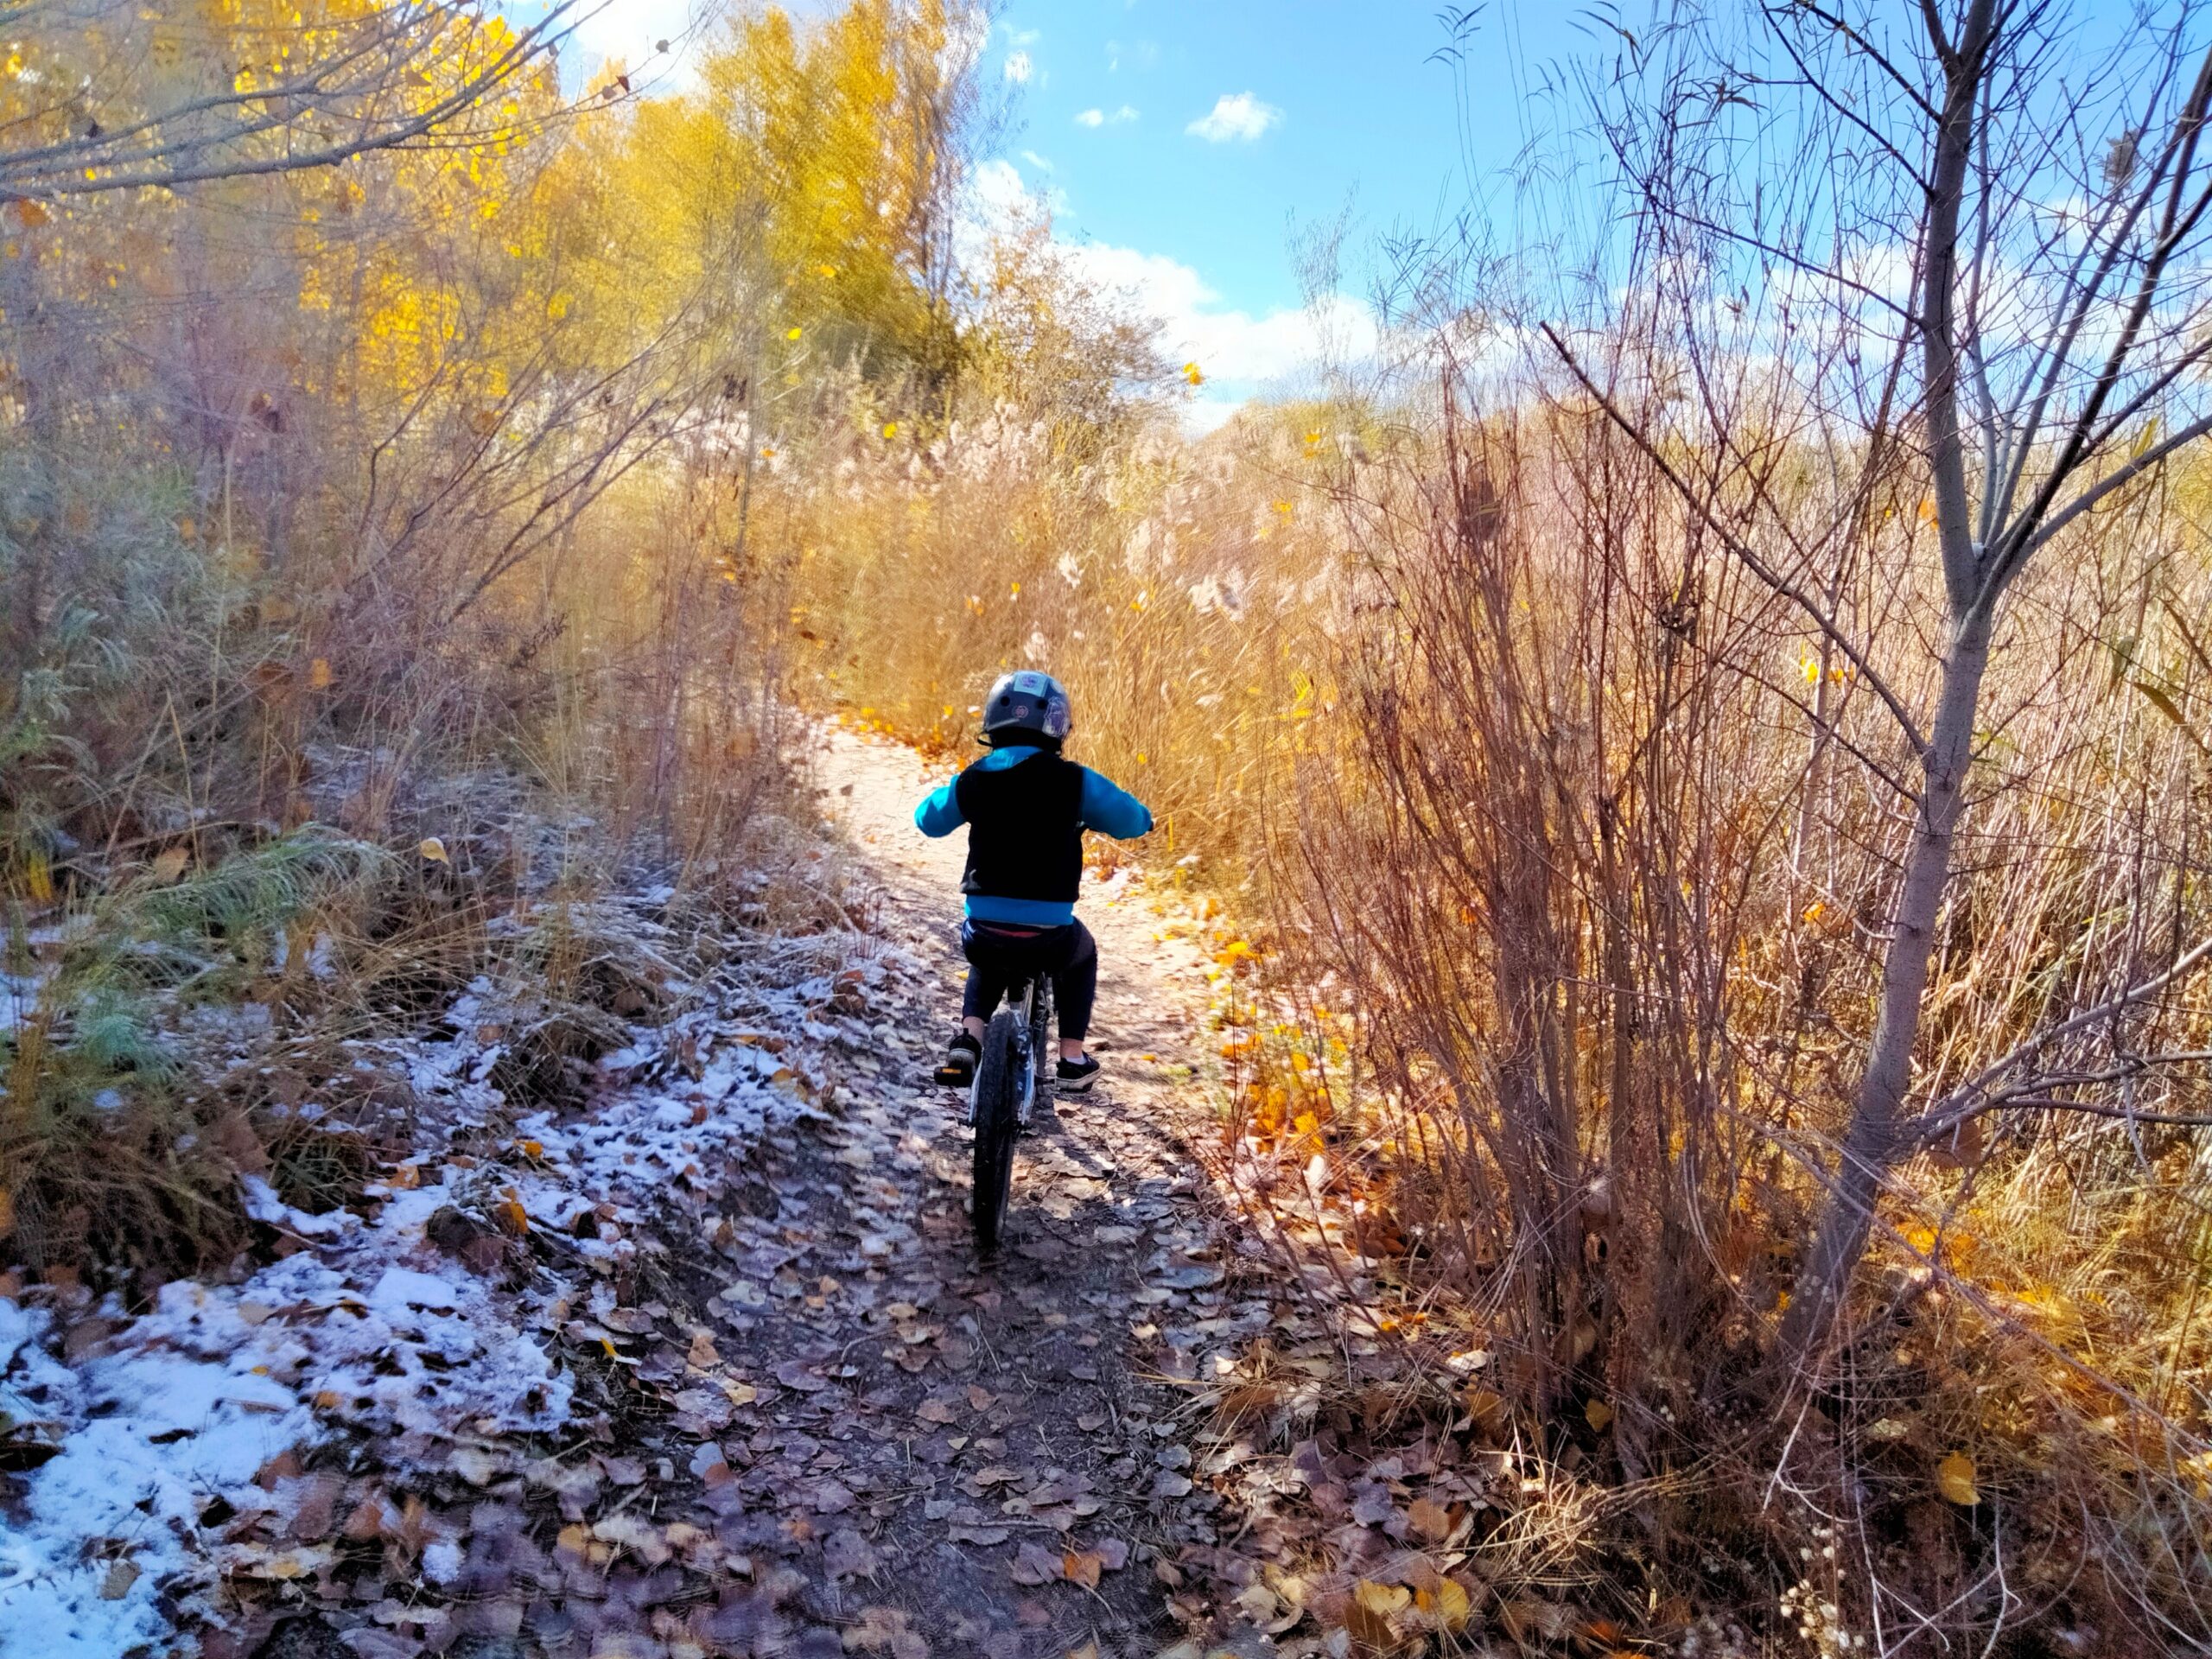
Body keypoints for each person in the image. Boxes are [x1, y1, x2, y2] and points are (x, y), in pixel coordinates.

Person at [914, 670, 1153, 1094]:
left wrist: (962, 794)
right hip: (1050, 934)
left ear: (993, 721)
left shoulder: (976, 777)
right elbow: (1130, 820)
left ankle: (969, 1038)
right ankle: (1072, 1058)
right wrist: (1145, 820)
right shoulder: (1075, 782)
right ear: (1057, 725)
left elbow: (928, 821)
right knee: (1082, 954)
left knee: (987, 955)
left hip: (984, 927)